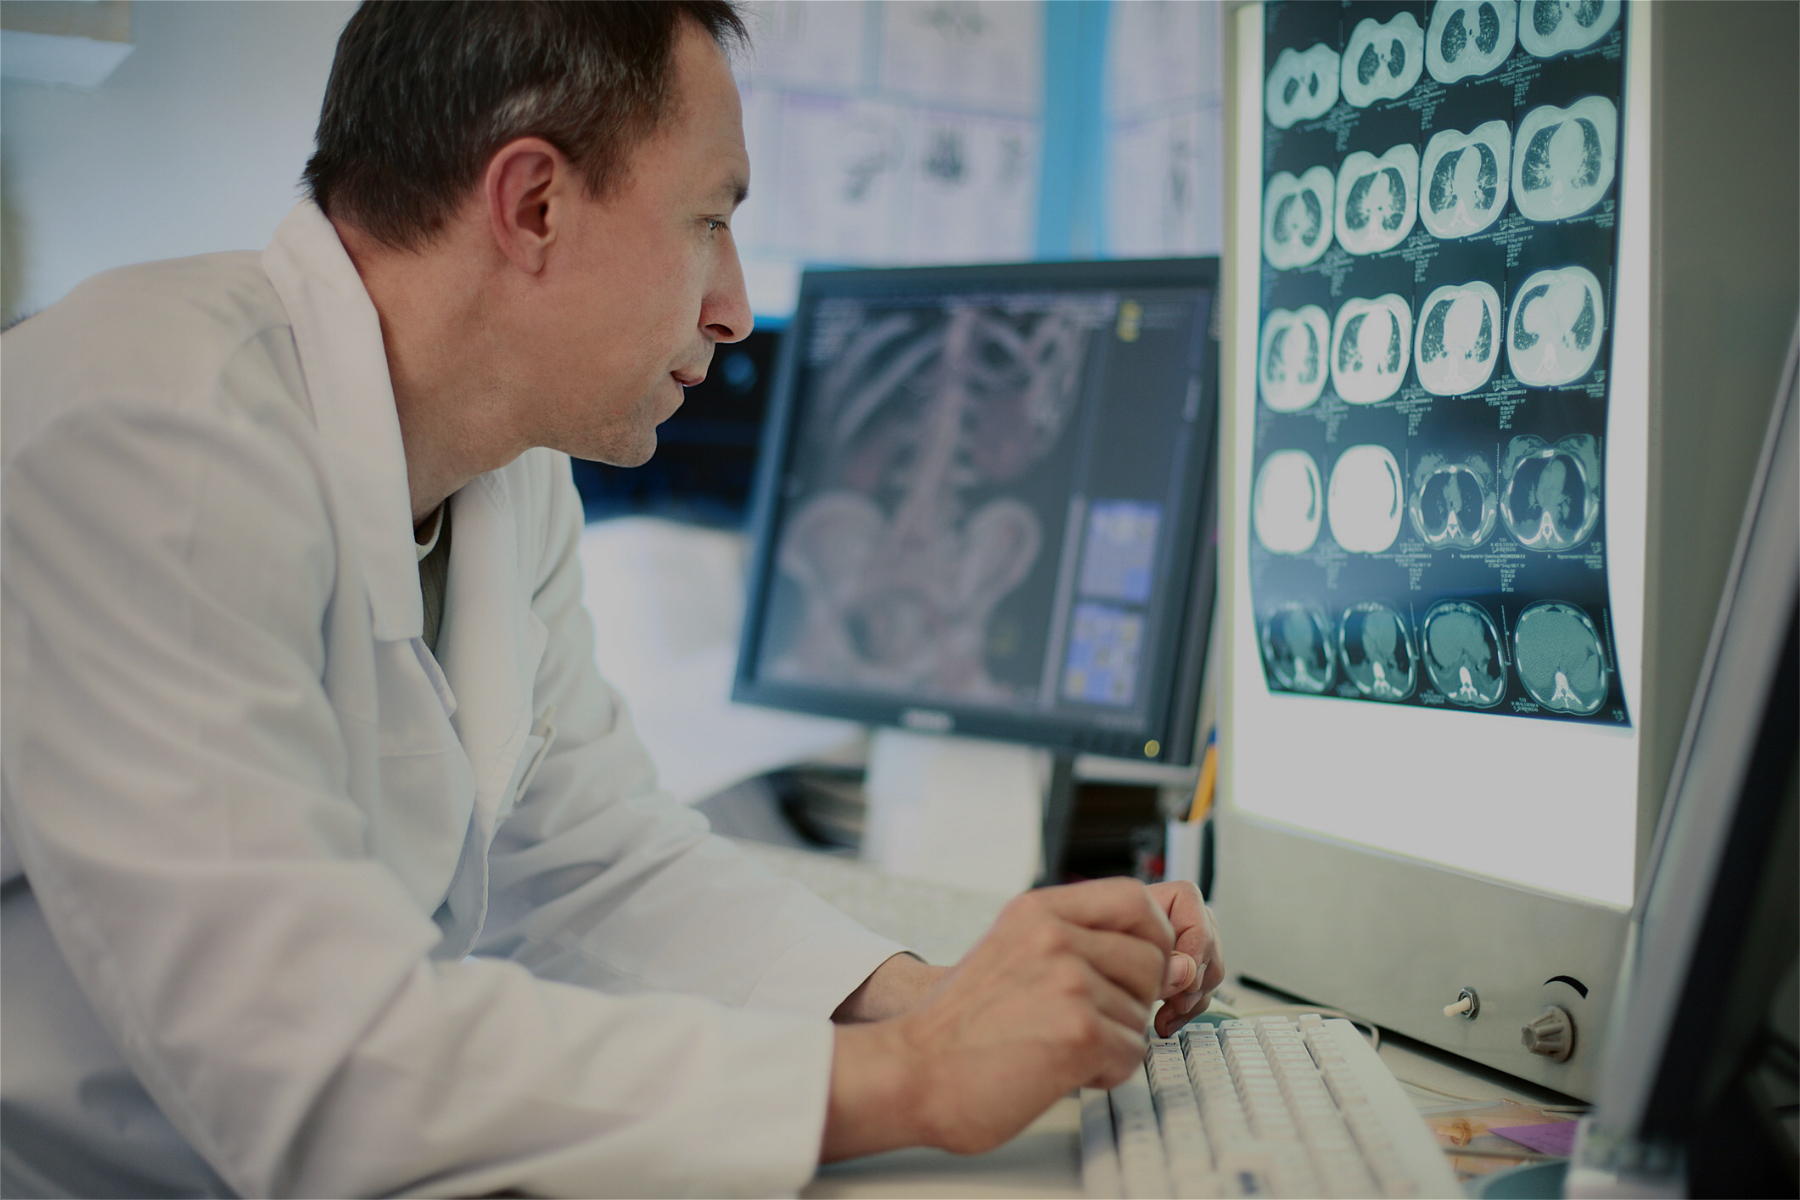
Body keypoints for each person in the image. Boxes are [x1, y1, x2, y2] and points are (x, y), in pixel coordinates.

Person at [0, 3, 1223, 1195]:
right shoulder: (152, 429)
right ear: (533, 205)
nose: (735, 306)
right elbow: (310, 1067)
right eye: (708, 223)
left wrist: (941, 997)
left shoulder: (504, 472)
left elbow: (591, 865)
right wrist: (910, 1076)